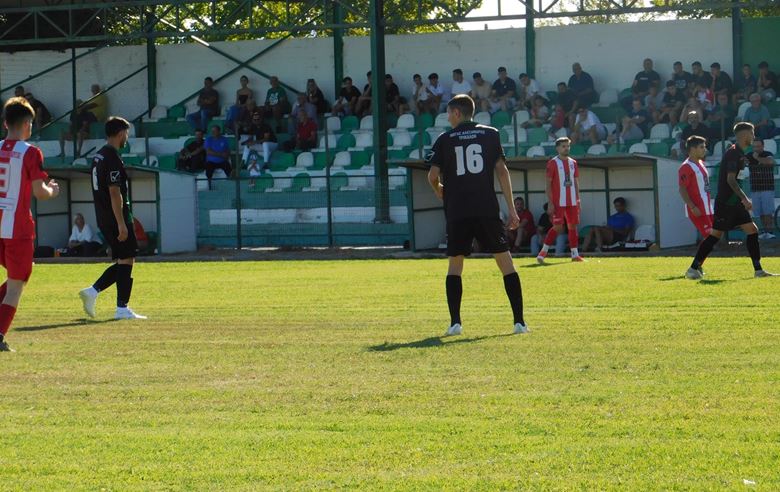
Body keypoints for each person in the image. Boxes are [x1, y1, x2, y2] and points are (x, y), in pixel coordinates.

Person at [426, 94, 528, 336]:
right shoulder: (490, 134)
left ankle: (455, 323)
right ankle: (519, 323)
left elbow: (432, 176)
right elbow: (502, 171)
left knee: (455, 265)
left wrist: (438, 190)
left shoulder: (445, 139)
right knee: (505, 262)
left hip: (457, 211)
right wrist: (512, 209)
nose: (448, 118)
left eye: (449, 113)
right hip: (486, 209)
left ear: (457, 113)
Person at [0, 97, 60, 352]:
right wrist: (53, 190)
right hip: (17, 227)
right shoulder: (30, 152)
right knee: (17, 283)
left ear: (6, 123)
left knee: (18, 277)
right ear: (27, 124)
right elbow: (40, 192)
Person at [685, 122, 777, 279]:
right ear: (744, 135)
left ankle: (758, 270)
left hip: (735, 203)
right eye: (752, 133)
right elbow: (731, 180)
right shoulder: (733, 154)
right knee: (715, 235)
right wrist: (744, 198)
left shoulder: (740, 153)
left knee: (752, 230)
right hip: (727, 203)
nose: (753, 136)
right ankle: (693, 268)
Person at [78, 116, 146, 321]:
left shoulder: (98, 156)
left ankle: (94, 292)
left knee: (124, 259)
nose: (127, 137)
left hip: (103, 216)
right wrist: (121, 224)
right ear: (120, 133)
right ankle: (120, 308)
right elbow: (115, 193)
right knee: (127, 258)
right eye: (126, 133)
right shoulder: (112, 158)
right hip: (115, 216)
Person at [536, 137, 584, 263]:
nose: (566, 148)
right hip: (558, 202)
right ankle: (543, 253)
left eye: (568, 146)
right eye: (563, 146)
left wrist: (578, 200)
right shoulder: (553, 163)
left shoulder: (573, 163)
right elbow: (548, 184)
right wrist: (550, 202)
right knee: (557, 227)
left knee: (572, 226)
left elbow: (575, 182)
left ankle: (575, 255)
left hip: (572, 201)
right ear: (557, 148)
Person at [678, 136, 714, 241]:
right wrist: (693, 207)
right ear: (693, 149)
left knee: (713, 237)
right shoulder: (686, 167)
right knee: (710, 237)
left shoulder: (701, 163)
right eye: (702, 147)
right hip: (698, 208)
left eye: (704, 147)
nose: (705, 150)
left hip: (707, 207)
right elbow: (682, 189)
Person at [747, 139, 777, 239]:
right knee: (760, 213)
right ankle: (765, 231)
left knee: (767, 212)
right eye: (754, 146)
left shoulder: (767, 154)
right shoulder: (749, 155)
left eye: (758, 146)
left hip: (767, 188)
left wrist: (757, 158)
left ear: (763, 146)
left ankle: (770, 232)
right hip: (755, 188)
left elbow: (770, 162)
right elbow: (742, 161)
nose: (756, 148)